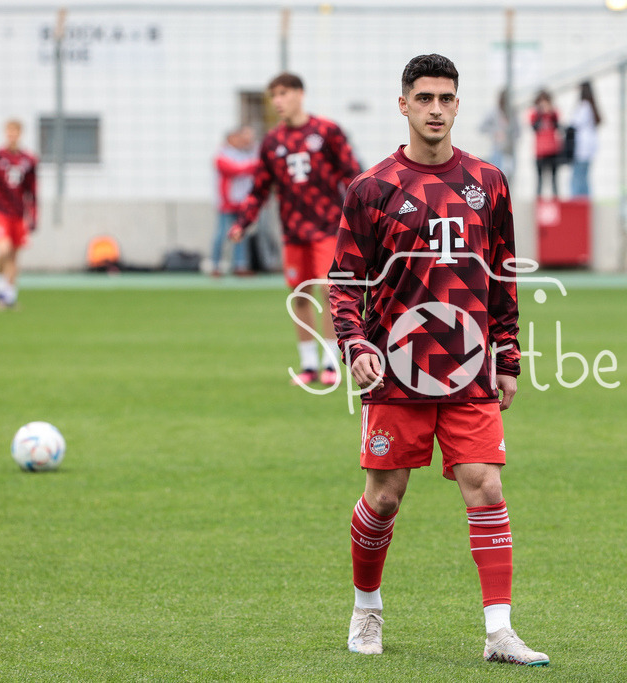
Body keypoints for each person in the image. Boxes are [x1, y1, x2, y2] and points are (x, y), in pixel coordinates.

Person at [330, 53, 548, 667]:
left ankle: (499, 631)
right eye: (423, 98)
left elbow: (502, 277)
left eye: (445, 98)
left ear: (457, 105)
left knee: (486, 487)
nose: (434, 108)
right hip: (396, 368)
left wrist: (509, 354)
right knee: (386, 496)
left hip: (470, 366)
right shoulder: (371, 189)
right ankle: (366, 607)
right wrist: (355, 345)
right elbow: (344, 280)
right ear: (403, 105)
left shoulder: (489, 182)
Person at [229, 72, 361, 386]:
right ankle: (308, 365)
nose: (278, 101)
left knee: (331, 292)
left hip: (329, 228)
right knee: (300, 295)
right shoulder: (272, 141)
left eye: (284, 93)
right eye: (274, 95)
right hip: (293, 233)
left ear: (300, 94)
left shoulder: (327, 131)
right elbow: (259, 188)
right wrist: (243, 221)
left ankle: (331, 363)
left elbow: (352, 175)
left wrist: (364, 214)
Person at [0, 120, 36, 311]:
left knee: (14, 258)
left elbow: (31, 190)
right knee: (3, 251)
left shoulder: (28, 160)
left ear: (20, 134)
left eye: (15, 132)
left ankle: (7, 297)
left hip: (18, 214)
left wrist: (33, 214)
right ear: (5, 133)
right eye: (9, 132)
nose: (12, 135)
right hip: (0, 211)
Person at [212, 126, 259, 276]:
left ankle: (240, 266)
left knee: (240, 234)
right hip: (227, 203)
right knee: (221, 235)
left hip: (242, 202)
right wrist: (252, 165)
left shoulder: (244, 153)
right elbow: (236, 169)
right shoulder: (222, 155)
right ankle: (215, 265)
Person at [479, 88, 519, 183]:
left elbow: (518, 131)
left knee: (509, 177)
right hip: (498, 149)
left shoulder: (512, 112)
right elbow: (482, 127)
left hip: (510, 150)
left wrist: (511, 135)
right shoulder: (494, 112)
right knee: (497, 176)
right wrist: (495, 132)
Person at [569, 81, 601, 198]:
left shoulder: (584, 106)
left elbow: (574, 123)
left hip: (582, 149)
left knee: (578, 178)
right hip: (589, 149)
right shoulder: (591, 106)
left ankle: (578, 205)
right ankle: (585, 202)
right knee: (584, 177)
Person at [529, 89, 560, 199]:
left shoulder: (553, 113)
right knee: (540, 180)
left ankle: (556, 201)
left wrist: (550, 113)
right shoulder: (535, 114)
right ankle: (538, 202)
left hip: (553, 150)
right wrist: (541, 113)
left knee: (554, 179)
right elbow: (534, 127)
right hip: (540, 152)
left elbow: (557, 125)